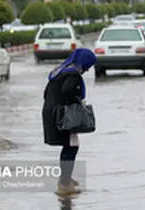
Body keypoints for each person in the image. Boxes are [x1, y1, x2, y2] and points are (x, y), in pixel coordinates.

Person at [42, 48, 97, 195]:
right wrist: (78, 103)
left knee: (70, 145)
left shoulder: (60, 71)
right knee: (71, 147)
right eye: (88, 65)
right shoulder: (73, 73)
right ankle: (64, 184)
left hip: (51, 112)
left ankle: (65, 178)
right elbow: (68, 90)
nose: (88, 69)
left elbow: (46, 93)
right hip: (63, 115)